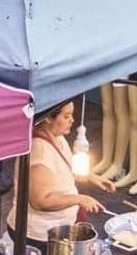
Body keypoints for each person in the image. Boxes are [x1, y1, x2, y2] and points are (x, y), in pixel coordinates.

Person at [11, 101, 111, 246]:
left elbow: (61, 171)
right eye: (66, 116)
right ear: (48, 118)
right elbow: (41, 201)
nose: (72, 120)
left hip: (60, 225)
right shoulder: (40, 152)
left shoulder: (57, 137)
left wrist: (91, 177)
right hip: (38, 235)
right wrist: (79, 199)